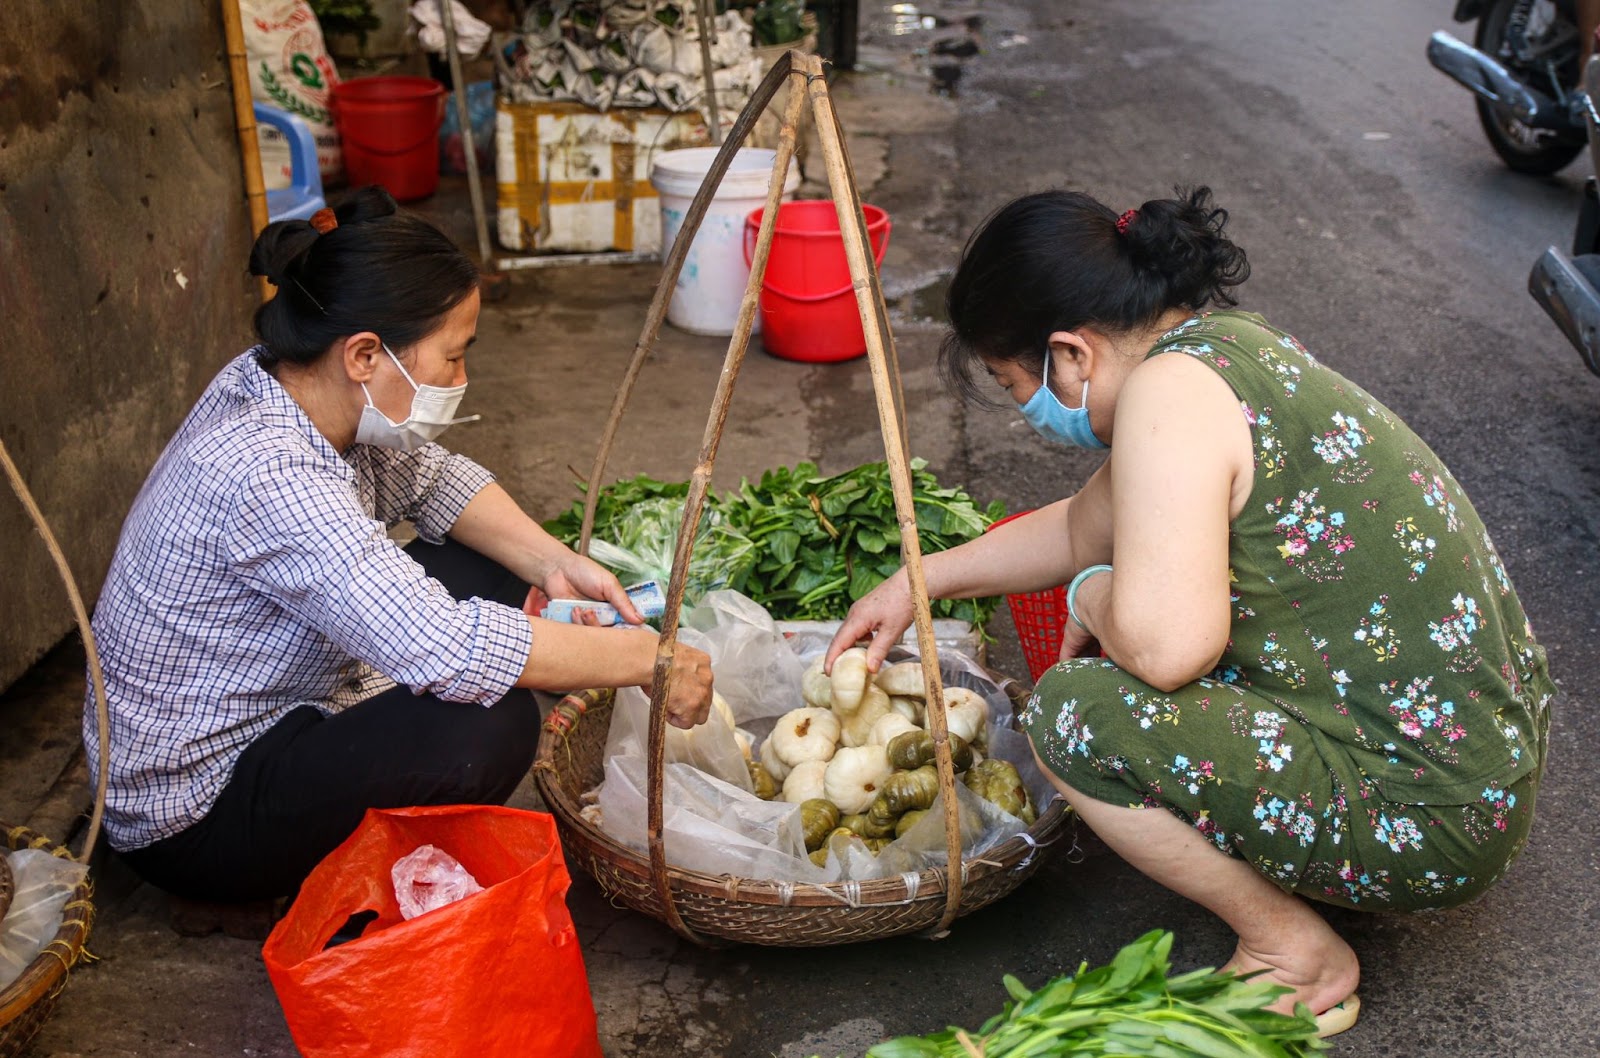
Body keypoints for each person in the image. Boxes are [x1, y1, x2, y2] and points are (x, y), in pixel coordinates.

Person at [826, 187, 1553, 1037]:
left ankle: (1295, 952)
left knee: (1075, 712)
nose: (1030, 413)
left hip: (1430, 817)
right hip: (1479, 766)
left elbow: (1169, 651)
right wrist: (917, 582)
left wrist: (1091, 593)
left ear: (1070, 354)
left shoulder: (1166, 399)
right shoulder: (1220, 351)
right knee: (1125, 616)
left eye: (1015, 383)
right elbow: (1080, 522)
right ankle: (1319, 844)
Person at [87, 187, 713, 905]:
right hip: (196, 810)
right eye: (452, 358)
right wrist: (647, 660)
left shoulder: (292, 382)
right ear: (363, 355)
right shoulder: (270, 474)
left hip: (280, 697)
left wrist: (555, 563)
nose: (461, 379)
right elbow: (447, 649)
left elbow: (432, 482)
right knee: (487, 728)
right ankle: (268, 889)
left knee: (495, 571)